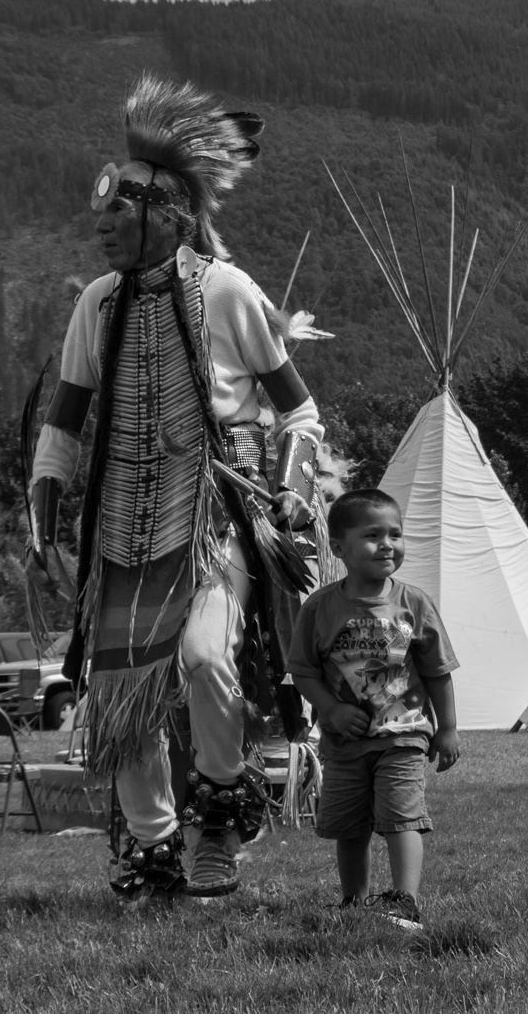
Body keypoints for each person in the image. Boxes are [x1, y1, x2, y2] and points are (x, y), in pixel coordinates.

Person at [28, 75, 336, 900]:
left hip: (213, 516)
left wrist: (293, 484)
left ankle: (217, 821)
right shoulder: (96, 305)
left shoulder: (229, 291)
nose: (102, 223)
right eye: (102, 209)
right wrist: (46, 506)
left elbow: (300, 410)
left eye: (119, 208)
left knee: (205, 657)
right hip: (122, 525)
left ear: (167, 212)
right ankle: (153, 847)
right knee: (122, 688)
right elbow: (63, 420)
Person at [289, 488, 460, 930]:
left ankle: (405, 900)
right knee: (349, 825)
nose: (388, 544)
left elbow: (438, 671)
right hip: (344, 742)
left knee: (402, 816)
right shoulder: (320, 608)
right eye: (373, 535)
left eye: (396, 534)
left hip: (403, 735)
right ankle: (354, 901)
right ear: (339, 547)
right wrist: (331, 709)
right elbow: (303, 671)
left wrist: (447, 730)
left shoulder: (413, 603)